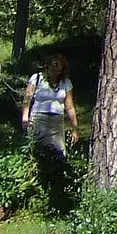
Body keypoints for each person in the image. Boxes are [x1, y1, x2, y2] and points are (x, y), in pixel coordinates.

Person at [20, 53, 79, 209]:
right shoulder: (37, 78)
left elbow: (70, 107)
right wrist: (25, 118)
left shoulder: (65, 83)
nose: (55, 69)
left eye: (59, 66)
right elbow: (27, 99)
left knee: (60, 153)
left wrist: (74, 128)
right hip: (38, 118)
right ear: (47, 65)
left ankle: (59, 189)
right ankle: (34, 190)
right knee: (37, 151)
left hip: (57, 121)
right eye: (53, 65)